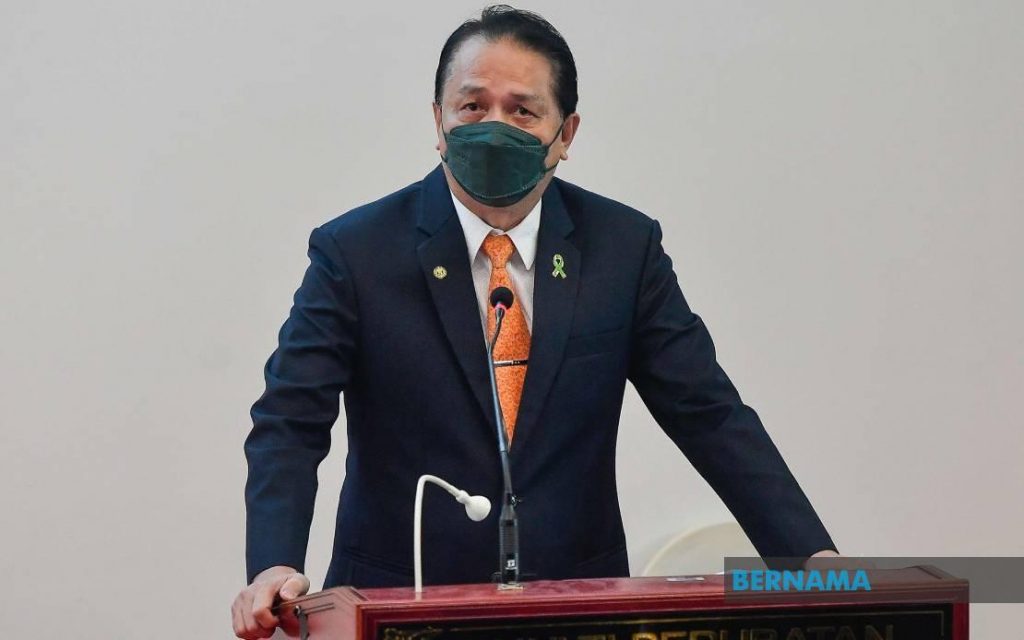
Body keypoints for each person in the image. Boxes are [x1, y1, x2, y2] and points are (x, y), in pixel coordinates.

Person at [231, 5, 838, 639]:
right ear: (438, 121)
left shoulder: (623, 249)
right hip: (398, 604)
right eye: (472, 106)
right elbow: (290, 420)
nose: (494, 128)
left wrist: (811, 559)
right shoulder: (356, 252)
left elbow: (707, 413)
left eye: (522, 111)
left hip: (576, 607)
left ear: (565, 133)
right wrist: (274, 562)